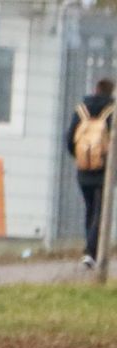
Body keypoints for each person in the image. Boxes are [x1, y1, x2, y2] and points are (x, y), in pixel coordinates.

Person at [67, 78, 115, 269]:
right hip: (105, 170)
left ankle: (90, 250)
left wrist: (81, 158)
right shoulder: (112, 111)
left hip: (83, 169)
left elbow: (70, 140)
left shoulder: (81, 110)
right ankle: (91, 251)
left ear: (95, 89)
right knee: (100, 211)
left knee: (90, 210)